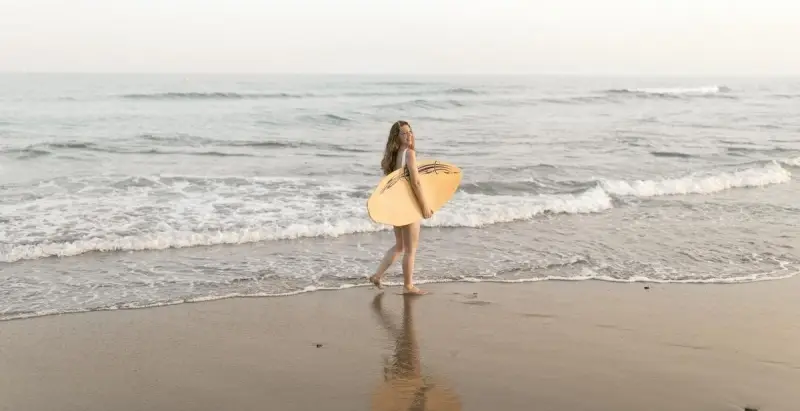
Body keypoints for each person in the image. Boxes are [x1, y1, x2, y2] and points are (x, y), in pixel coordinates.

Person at [369, 120, 433, 295]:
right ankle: (408, 286)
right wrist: (425, 206)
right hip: (408, 206)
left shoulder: (394, 155)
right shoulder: (409, 154)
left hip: (396, 206)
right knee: (410, 250)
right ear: (397, 137)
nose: (409, 135)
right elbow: (416, 182)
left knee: (399, 246)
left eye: (410, 132)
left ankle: (377, 275)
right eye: (404, 133)